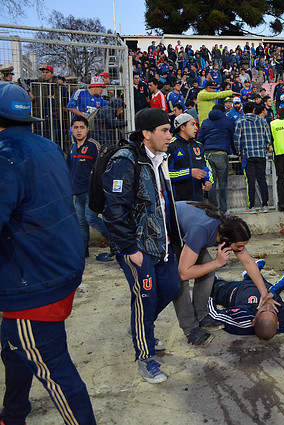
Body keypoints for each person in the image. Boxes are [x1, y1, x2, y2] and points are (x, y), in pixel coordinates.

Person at [0, 82, 97, 424]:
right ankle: (13, 414)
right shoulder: (49, 146)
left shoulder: (4, 155)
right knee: (14, 348)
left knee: (53, 367)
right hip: (59, 268)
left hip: (32, 285)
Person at [102, 108, 182, 384]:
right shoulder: (126, 161)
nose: (170, 135)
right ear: (147, 134)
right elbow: (114, 210)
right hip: (138, 248)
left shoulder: (160, 158)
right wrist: (129, 249)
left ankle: (141, 326)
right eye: (165, 130)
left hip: (162, 244)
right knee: (144, 299)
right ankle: (145, 357)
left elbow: (162, 204)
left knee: (172, 287)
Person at [174, 201, 269, 345]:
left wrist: (264, 294)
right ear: (225, 239)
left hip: (190, 231)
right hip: (170, 230)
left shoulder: (226, 229)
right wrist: (217, 262)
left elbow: (249, 262)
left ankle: (202, 315)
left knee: (208, 268)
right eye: (238, 246)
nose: (240, 249)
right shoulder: (201, 231)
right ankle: (190, 328)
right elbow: (183, 273)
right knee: (179, 281)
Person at [67, 115, 111, 259]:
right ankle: (84, 250)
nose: (79, 131)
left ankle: (114, 240)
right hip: (77, 191)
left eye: (82, 127)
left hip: (91, 191)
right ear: (71, 130)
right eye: (75, 128)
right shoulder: (72, 148)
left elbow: (102, 167)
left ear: (88, 129)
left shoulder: (93, 146)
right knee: (81, 222)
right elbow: (70, 169)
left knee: (91, 218)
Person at [198, 104, 235, 213]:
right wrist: (235, 151)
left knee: (210, 182)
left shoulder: (205, 122)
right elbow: (233, 137)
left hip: (207, 154)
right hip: (221, 154)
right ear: (224, 112)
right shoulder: (229, 121)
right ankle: (223, 209)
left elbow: (199, 138)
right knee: (223, 183)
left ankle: (213, 208)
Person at [234, 101, 271, 213]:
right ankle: (265, 205)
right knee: (262, 179)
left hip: (248, 155)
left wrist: (240, 153)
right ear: (254, 110)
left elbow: (237, 140)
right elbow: (268, 138)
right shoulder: (261, 121)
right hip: (260, 154)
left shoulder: (240, 122)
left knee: (250, 181)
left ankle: (252, 206)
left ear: (243, 111)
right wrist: (264, 149)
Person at [167, 113, 212, 202]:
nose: (196, 128)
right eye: (192, 124)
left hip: (199, 199)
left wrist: (208, 181)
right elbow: (167, 174)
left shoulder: (198, 145)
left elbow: (206, 167)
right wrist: (189, 173)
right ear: (182, 127)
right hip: (179, 201)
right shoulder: (170, 146)